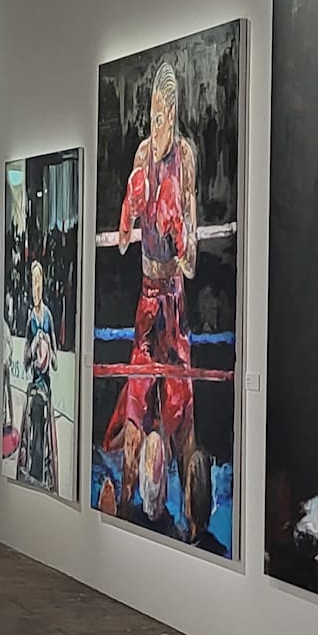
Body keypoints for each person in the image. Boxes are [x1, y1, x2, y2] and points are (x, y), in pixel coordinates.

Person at [102, 59, 203, 534]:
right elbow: (123, 240)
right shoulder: (143, 157)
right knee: (138, 394)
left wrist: (181, 231)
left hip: (174, 300)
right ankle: (123, 501)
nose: (156, 126)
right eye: (151, 117)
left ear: (174, 114)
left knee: (181, 402)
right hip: (146, 295)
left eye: (162, 116)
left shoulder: (185, 156)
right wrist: (134, 207)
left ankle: (194, 517)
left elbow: (192, 256)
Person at [18, 261, 59, 488]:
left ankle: (43, 475)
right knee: (32, 434)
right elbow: (24, 360)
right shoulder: (31, 318)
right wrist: (34, 346)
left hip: (46, 390)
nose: (36, 287)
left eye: (39, 282)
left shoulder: (48, 316)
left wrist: (48, 350)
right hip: (34, 388)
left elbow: (55, 363)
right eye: (33, 282)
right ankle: (32, 472)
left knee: (44, 438)